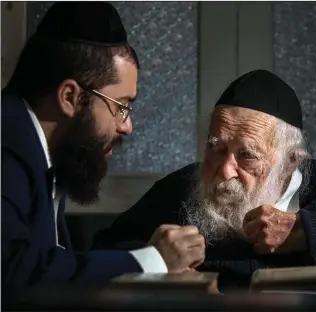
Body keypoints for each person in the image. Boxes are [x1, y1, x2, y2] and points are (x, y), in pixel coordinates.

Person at [93, 69, 316, 290]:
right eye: (216, 148)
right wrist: (157, 259)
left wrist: (310, 233)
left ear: (292, 160)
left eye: (247, 154)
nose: (225, 169)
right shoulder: (178, 191)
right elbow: (102, 253)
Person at [1, 2, 204, 305]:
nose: (127, 126)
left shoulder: (42, 148)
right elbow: (15, 278)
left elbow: (53, 263)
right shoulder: (7, 145)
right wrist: (153, 261)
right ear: (70, 97)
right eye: (121, 106)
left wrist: (148, 260)